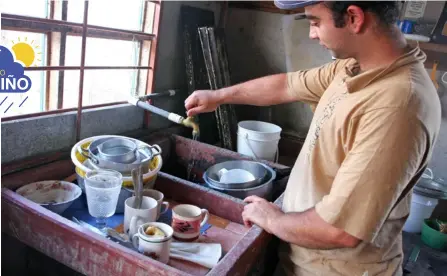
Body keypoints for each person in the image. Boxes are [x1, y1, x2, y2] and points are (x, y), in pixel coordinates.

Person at [185, 1, 441, 275]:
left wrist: (273, 219)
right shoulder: (353, 68)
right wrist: (218, 97)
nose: (312, 33)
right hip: (304, 258)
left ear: (353, 17)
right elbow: (286, 85)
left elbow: (340, 230)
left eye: (315, 21)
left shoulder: (397, 105)